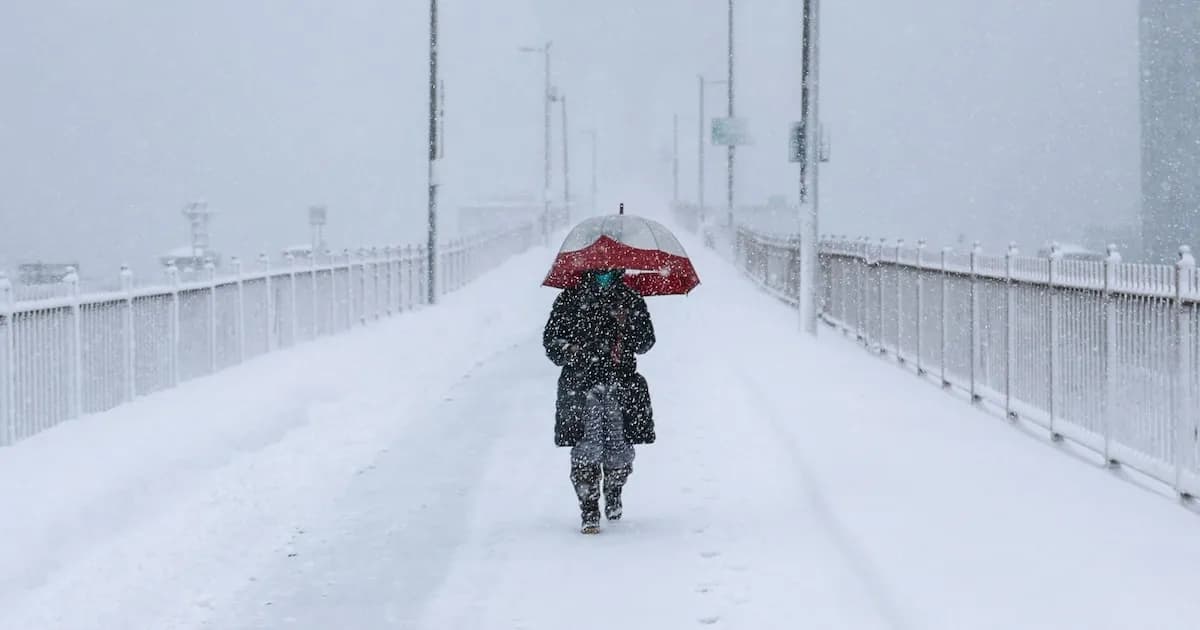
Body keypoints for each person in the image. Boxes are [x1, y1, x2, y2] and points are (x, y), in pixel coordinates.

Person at [543, 268, 656, 533]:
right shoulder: (569, 299)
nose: (603, 273)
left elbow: (646, 342)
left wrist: (627, 324)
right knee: (585, 449)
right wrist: (571, 350)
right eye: (598, 269)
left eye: (610, 269)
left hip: (621, 384)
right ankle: (589, 508)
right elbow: (551, 343)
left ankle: (614, 488)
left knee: (619, 449)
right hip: (581, 387)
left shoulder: (630, 298)